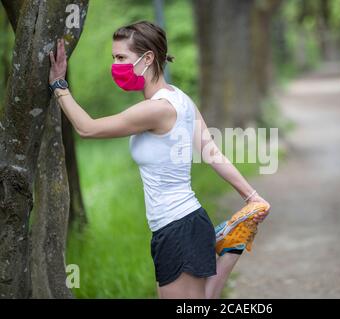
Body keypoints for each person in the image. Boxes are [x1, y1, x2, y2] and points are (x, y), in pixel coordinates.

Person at [48, 21, 271, 299]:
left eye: (121, 58)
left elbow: (87, 128)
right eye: (113, 58)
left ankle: (230, 248)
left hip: (177, 228)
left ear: (148, 58)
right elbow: (211, 152)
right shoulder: (181, 100)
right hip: (184, 224)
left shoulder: (156, 109)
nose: (115, 66)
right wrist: (251, 195)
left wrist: (59, 85)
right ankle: (230, 247)